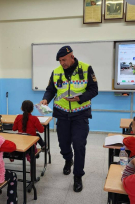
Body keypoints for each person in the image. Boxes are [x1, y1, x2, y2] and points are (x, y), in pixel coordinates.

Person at [40, 45, 98, 192]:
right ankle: (68, 159)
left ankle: (77, 176)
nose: (62, 63)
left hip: (80, 113)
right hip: (62, 113)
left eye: (64, 60)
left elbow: (94, 90)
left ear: (72, 56)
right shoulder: (56, 71)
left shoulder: (86, 68)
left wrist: (80, 98)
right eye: (60, 60)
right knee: (63, 144)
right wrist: (46, 99)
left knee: (79, 145)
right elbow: (50, 90)